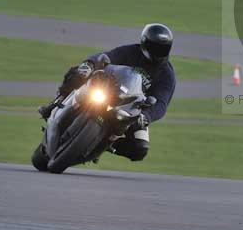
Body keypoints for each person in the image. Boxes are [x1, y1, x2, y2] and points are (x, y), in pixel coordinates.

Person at [38, 24, 176, 162]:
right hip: (109, 89)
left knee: (140, 149)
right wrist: (90, 64)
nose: (157, 52)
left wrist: (146, 116)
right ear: (144, 43)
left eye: (162, 49)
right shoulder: (131, 51)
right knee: (79, 73)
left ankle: (103, 145)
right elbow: (107, 56)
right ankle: (56, 102)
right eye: (154, 47)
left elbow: (161, 103)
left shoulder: (167, 75)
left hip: (132, 110)